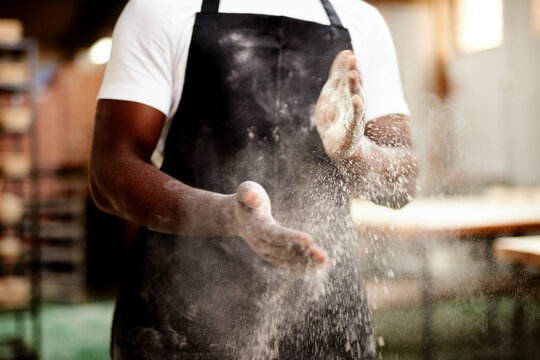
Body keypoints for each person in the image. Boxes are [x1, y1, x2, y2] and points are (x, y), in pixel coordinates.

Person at [90, 0, 417, 358]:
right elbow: (110, 169)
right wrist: (226, 214)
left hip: (323, 311)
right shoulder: (161, 8)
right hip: (185, 313)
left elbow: (401, 183)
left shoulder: (361, 18)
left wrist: (354, 150)